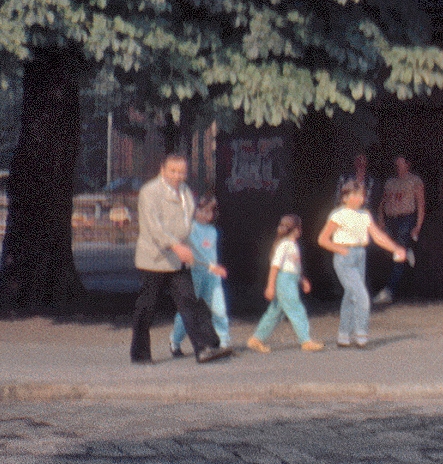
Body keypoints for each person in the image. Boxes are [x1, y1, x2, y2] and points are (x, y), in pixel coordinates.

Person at [130, 152, 225, 363]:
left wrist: (207, 263)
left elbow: (186, 230)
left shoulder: (185, 193)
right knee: (146, 308)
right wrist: (175, 245)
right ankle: (140, 355)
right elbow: (153, 228)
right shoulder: (149, 192)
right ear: (162, 170)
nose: (177, 175)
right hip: (153, 261)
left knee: (189, 302)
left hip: (177, 261)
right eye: (172, 171)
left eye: (181, 171)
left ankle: (205, 348)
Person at [319, 177, 409, 348]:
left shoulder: (365, 215)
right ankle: (361, 334)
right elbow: (323, 239)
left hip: (360, 255)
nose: (360, 198)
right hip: (344, 256)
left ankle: (344, 335)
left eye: (362, 195)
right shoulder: (338, 215)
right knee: (361, 296)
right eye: (356, 195)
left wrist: (395, 248)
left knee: (350, 296)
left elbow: (377, 236)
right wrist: (340, 250)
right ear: (345, 197)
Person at [247, 215, 322, 352]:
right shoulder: (284, 245)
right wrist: (270, 286)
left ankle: (256, 339)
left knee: (275, 312)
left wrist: (302, 279)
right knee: (296, 309)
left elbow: (295, 266)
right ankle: (305, 340)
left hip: (291, 279)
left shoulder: (292, 245)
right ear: (296, 229)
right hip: (284, 281)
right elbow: (275, 266)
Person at [170, 195, 231, 357]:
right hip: (195, 274)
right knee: (188, 310)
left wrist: (214, 268)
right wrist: (211, 266)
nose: (205, 215)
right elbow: (195, 252)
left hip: (212, 276)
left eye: (209, 212)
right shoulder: (191, 228)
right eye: (201, 210)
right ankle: (175, 341)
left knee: (219, 308)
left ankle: (224, 343)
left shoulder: (212, 231)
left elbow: (211, 253)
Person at [376, 155, 425, 303]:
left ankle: (389, 290)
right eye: (396, 163)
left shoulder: (414, 181)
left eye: (401, 163)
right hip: (391, 219)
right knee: (389, 248)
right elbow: (382, 202)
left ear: (407, 164)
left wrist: (418, 225)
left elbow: (421, 204)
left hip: (406, 218)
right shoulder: (390, 182)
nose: (398, 166)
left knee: (399, 252)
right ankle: (408, 248)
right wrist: (380, 219)